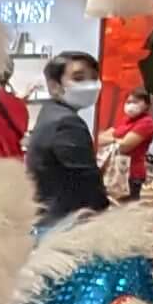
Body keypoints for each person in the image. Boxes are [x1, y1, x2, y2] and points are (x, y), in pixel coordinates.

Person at [28, 49, 110, 225]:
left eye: (94, 78)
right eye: (78, 78)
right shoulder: (68, 123)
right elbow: (86, 179)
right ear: (54, 86)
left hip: (48, 216)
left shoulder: (50, 112)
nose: (90, 85)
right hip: (65, 221)